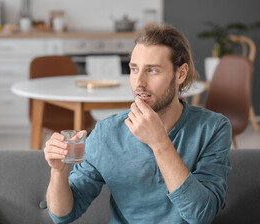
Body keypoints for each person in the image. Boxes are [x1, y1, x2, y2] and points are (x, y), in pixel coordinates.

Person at [44, 23, 232, 224]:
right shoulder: (107, 132)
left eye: (152, 70)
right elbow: (63, 215)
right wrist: (58, 172)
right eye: (134, 69)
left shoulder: (213, 128)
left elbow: (201, 215)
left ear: (180, 74)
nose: (139, 82)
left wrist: (159, 143)